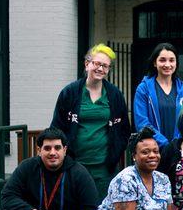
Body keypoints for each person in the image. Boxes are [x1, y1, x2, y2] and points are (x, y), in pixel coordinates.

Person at [51, 43, 130, 200]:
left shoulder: (115, 95)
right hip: (74, 165)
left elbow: (124, 130)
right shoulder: (69, 93)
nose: (100, 69)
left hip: (105, 168)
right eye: (97, 63)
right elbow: (57, 128)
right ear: (87, 64)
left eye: (105, 66)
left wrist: (115, 152)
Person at [134, 42, 183, 149]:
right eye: (162, 60)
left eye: (172, 60)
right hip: (153, 150)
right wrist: (164, 143)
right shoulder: (143, 89)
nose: (167, 64)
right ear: (155, 63)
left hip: (178, 150)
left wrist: (176, 145)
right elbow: (142, 122)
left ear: (176, 63)